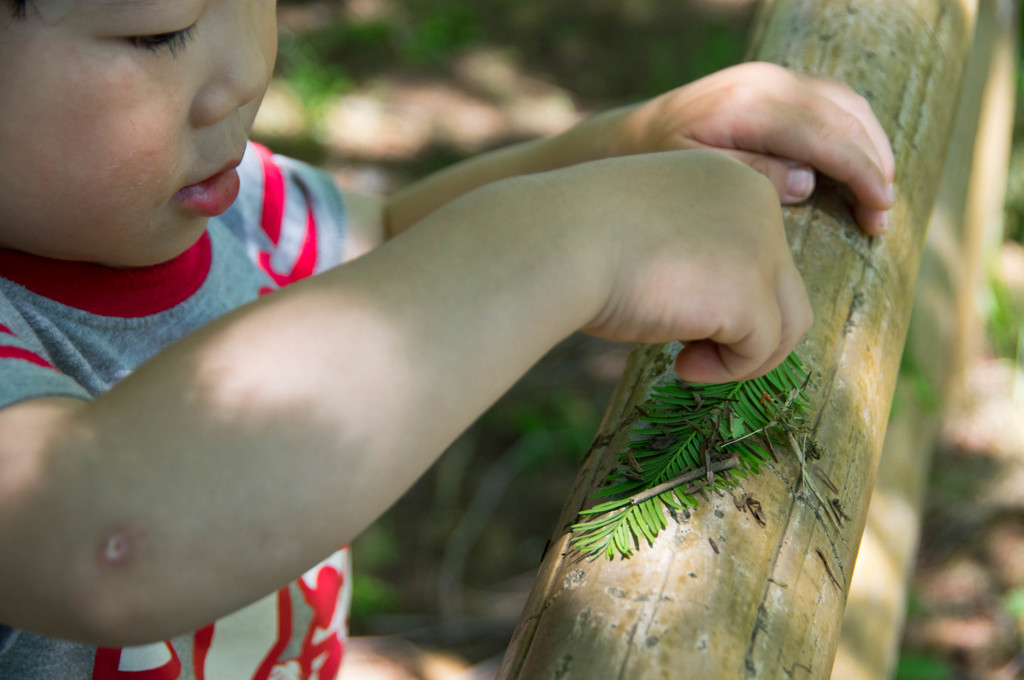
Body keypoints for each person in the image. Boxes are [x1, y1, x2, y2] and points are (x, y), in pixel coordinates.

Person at [0, 0, 896, 677]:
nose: (246, 67)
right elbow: (104, 537)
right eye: (160, 29)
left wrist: (622, 149)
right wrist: (574, 242)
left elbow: (385, 243)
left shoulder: (212, 211)